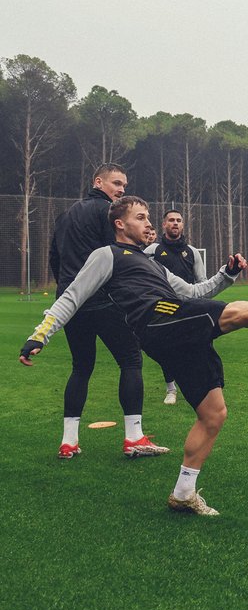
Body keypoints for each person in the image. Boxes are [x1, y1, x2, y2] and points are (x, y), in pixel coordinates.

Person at [20, 196, 248, 516]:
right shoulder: (106, 254)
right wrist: (40, 335)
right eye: (141, 217)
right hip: (158, 317)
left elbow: (195, 292)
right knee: (236, 313)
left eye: (149, 217)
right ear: (119, 224)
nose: (148, 223)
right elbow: (71, 296)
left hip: (174, 327)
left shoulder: (151, 263)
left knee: (213, 414)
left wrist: (227, 273)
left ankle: (183, 493)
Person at [48, 163, 165, 460]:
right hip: (102, 299)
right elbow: (116, 256)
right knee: (130, 360)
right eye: (117, 183)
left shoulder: (63, 216)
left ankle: (69, 442)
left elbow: (55, 259)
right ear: (98, 181)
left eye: (124, 185)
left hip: (72, 300)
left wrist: (69, 292)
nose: (122, 189)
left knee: (81, 367)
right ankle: (134, 438)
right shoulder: (111, 214)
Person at [143, 209, 207, 405]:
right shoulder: (152, 251)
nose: (175, 223)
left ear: (183, 224)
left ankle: (199, 387)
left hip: (188, 308)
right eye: (171, 220)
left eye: (178, 220)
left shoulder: (193, 252)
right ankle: (171, 389)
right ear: (164, 225)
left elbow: (202, 282)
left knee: (195, 348)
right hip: (162, 308)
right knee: (166, 350)